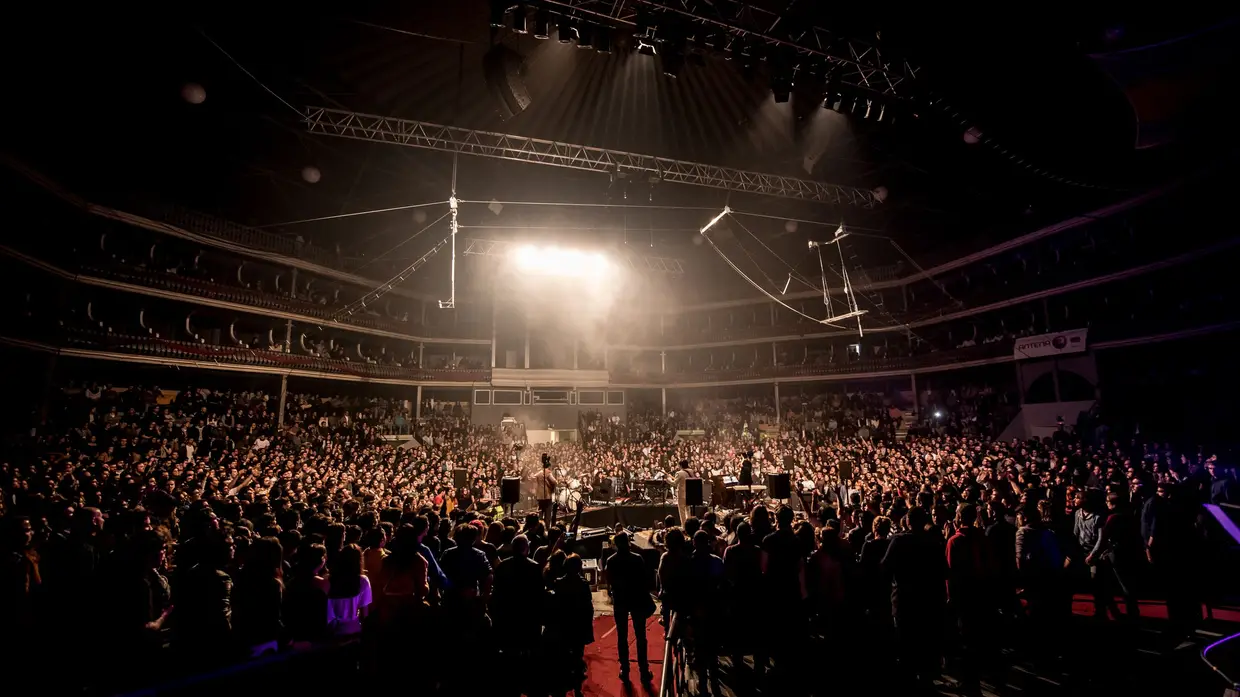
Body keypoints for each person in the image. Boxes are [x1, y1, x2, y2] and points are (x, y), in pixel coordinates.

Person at [604, 531, 655, 684]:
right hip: (637, 599)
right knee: (641, 637)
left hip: (620, 600)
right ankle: (643, 670)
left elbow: (609, 581)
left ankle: (625, 669)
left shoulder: (611, 561)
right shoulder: (637, 559)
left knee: (622, 636)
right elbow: (645, 580)